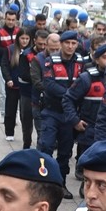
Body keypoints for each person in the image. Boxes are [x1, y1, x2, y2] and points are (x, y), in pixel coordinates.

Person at [38, 30, 83, 198]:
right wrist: (71, 94)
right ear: (61, 44)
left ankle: (61, 184)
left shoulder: (81, 62)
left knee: (65, 152)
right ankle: (43, 183)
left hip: (69, 115)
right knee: (47, 147)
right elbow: (49, 85)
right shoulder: (51, 61)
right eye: (67, 43)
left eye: (73, 43)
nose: (70, 46)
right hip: (52, 111)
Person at [66, 41, 106, 176]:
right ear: (97, 59)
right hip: (89, 129)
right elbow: (68, 98)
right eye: (105, 57)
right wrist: (75, 120)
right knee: (88, 166)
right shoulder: (86, 78)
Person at [0, 27, 31, 142]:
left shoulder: (31, 51)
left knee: (25, 112)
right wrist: (8, 79)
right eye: (22, 38)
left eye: (27, 38)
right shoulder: (10, 50)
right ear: (18, 39)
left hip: (26, 86)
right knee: (10, 109)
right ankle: (9, 132)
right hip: (13, 85)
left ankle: (26, 134)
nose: (25, 41)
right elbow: (4, 66)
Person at [0, 4, 22, 117]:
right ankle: (4, 113)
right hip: (2, 65)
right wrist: (9, 51)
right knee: (3, 92)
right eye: (8, 19)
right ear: (5, 19)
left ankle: (15, 113)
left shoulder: (19, 32)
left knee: (17, 91)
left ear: (16, 20)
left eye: (13, 20)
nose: (10, 22)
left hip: (16, 66)